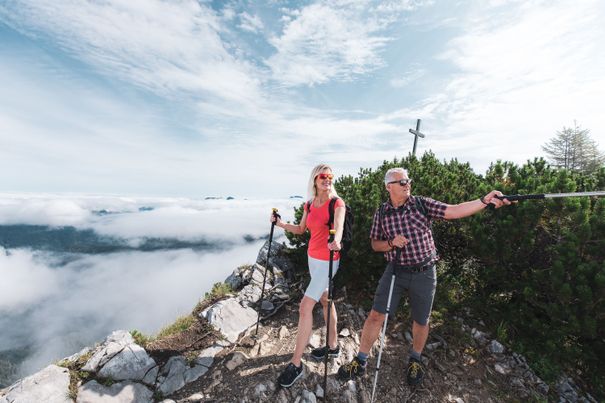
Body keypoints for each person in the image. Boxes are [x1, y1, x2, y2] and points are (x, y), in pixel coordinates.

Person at [337, 167, 511, 386]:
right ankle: (360, 361)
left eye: (408, 180)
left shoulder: (421, 204)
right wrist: (391, 243)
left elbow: (454, 210)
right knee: (375, 315)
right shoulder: (382, 212)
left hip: (424, 272)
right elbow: (375, 244)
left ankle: (415, 359)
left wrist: (484, 201)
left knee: (421, 320)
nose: (407, 184)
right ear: (388, 187)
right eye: (402, 182)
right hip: (396, 270)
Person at [272, 164, 346, 388]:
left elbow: (339, 226)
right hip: (313, 259)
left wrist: (337, 240)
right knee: (325, 299)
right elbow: (302, 229)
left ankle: (296, 364)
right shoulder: (309, 204)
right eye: (323, 176)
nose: (327, 180)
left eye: (330, 176)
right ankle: (333, 347)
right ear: (315, 180)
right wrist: (281, 224)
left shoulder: (337, 203)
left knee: (305, 307)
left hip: (329, 260)